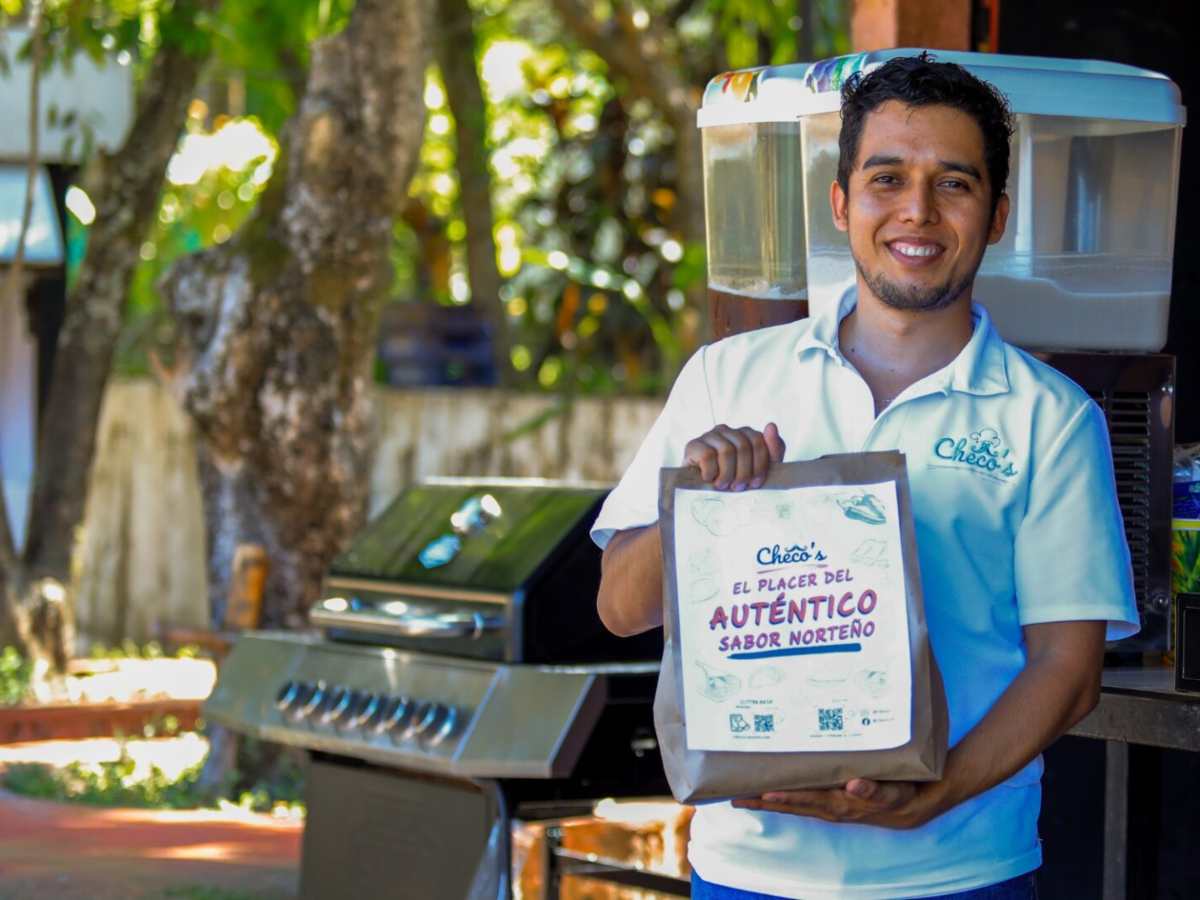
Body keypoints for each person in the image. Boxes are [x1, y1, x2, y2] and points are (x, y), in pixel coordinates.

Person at [590, 54, 1139, 899]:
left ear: (995, 217)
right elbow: (621, 609)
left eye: (954, 184)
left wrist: (932, 796)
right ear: (842, 202)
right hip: (747, 871)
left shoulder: (1051, 417)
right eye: (888, 178)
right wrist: (697, 508)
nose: (917, 210)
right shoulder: (724, 379)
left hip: (960, 871)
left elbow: (1067, 672)